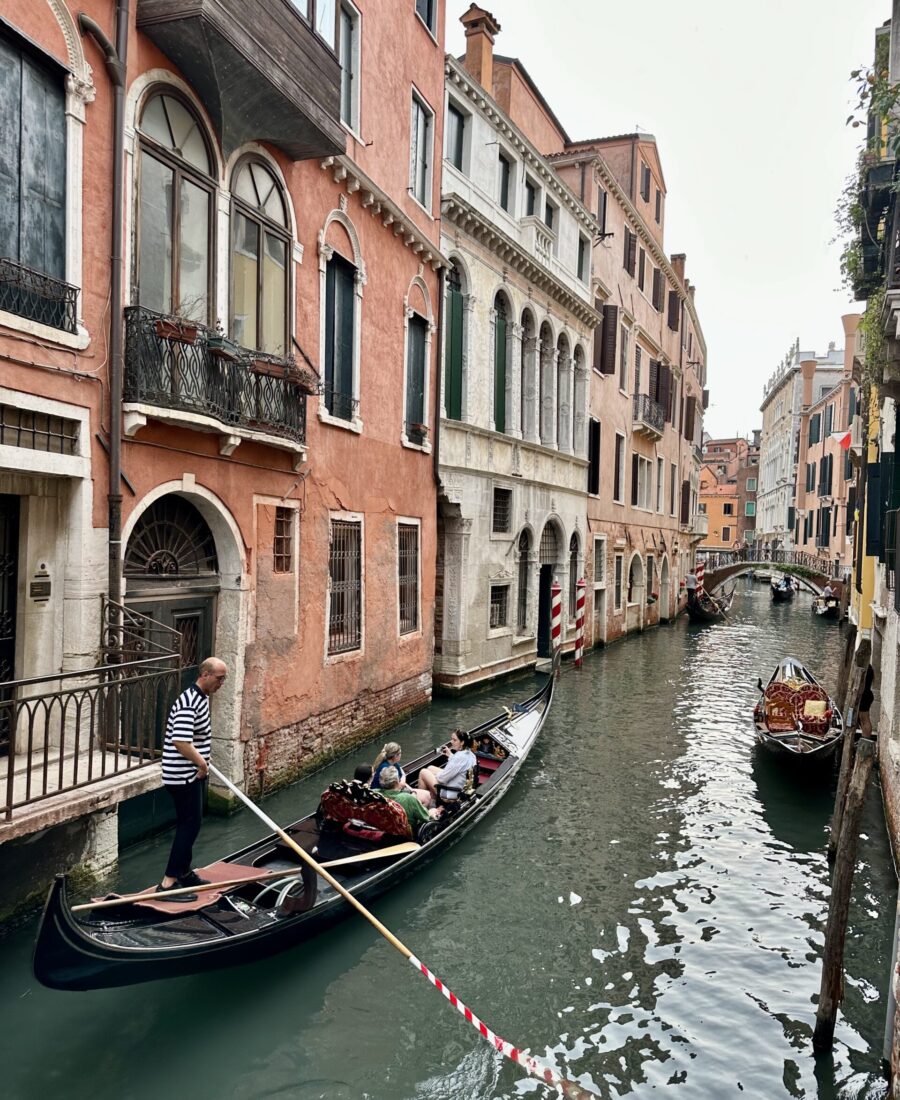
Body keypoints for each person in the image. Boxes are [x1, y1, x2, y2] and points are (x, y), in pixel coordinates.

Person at [158, 658, 227, 895]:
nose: (222, 683)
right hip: (182, 775)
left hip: (189, 773)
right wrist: (201, 764)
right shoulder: (190, 702)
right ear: (205, 675)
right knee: (189, 825)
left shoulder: (200, 698)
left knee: (192, 823)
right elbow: (180, 741)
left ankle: (185, 873)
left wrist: (202, 762)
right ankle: (168, 882)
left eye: (224, 678)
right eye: (220, 678)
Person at [418, 729, 477, 806]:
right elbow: (459, 766)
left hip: (451, 794)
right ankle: (432, 800)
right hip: (461, 788)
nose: (451, 742)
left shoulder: (458, 757)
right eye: (452, 739)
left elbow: (442, 779)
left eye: (454, 740)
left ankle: (420, 802)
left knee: (423, 772)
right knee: (430, 768)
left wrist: (434, 776)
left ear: (462, 742)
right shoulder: (471, 755)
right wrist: (450, 755)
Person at [379, 766, 441, 833]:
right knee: (433, 810)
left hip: (388, 828)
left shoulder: (377, 794)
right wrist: (434, 811)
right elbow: (425, 817)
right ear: (396, 782)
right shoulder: (408, 798)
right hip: (410, 831)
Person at [859, 664, 875, 739]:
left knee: (864, 719)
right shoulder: (869, 668)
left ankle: (866, 738)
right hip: (866, 694)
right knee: (863, 719)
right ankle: (864, 737)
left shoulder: (865, 668)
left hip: (864, 695)